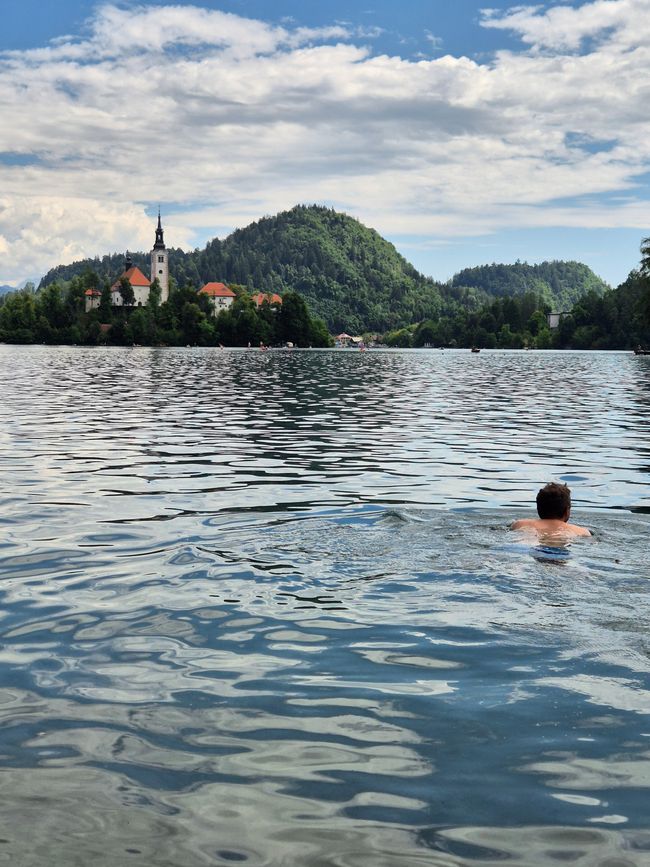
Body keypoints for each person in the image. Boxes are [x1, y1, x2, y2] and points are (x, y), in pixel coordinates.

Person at [511, 482, 591, 537]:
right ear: (567, 511)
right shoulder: (581, 532)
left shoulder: (519, 524)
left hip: (531, 539)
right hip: (562, 540)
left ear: (538, 509)